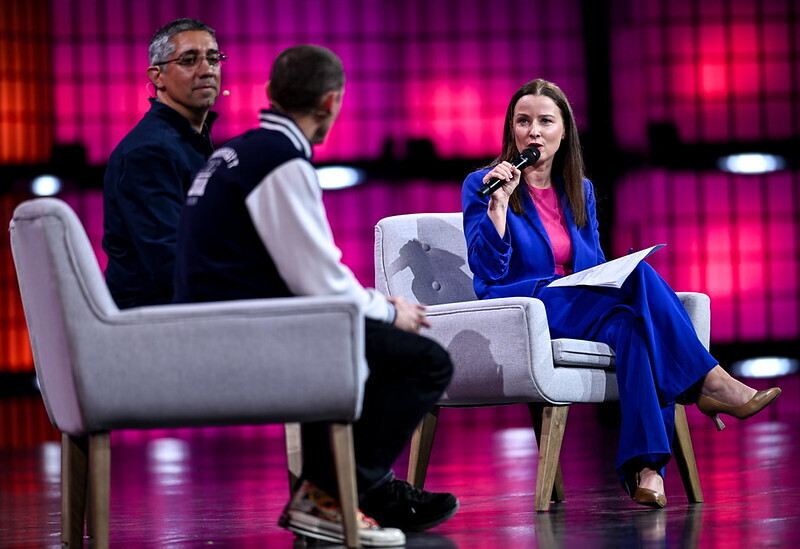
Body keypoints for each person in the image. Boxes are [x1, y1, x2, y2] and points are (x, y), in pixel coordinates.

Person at [173, 45, 458, 546]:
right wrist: (390, 310)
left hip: (214, 326)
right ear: (331, 102)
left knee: (357, 340)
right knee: (425, 361)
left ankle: (359, 493)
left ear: (270, 94)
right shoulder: (281, 161)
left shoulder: (235, 151)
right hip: (244, 337)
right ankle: (330, 497)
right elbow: (319, 281)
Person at [462, 78, 781, 509]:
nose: (533, 131)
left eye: (545, 121)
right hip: (528, 307)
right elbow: (486, 274)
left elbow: (592, 265)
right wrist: (499, 206)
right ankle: (710, 380)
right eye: (523, 121)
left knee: (634, 329)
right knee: (641, 277)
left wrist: (607, 275)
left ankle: (647, 470)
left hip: (580, 301)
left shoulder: (581, 191)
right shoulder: (482, 185)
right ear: (511, 131)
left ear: (564, 132)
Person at [103, 18, 223, 308]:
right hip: (155, 320)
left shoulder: (189, 140)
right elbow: (169, 260)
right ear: (157, 76)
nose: (206, 70)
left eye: (213, 58)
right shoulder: (150, 151)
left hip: (181, 308)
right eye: (189, 60)